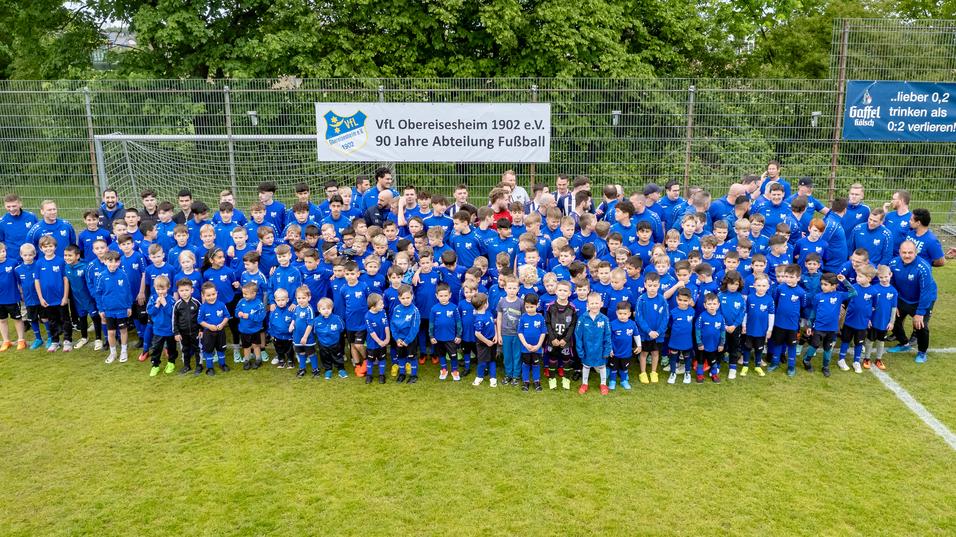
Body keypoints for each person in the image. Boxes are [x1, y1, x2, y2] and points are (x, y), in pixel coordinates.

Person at [886, 240, 938, 363]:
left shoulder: (923, 268)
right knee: (892, 318)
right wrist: (894, 303)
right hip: (903, 298)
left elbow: (926, 292)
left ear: (916, 252)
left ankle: (922, 352)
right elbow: (891, 285)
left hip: (922, 299)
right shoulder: (893, 263)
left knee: (920, 325)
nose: (907, 255)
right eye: (904, 252)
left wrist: (920, 313)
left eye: (910, 252)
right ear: (899, 252)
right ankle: (904, 343)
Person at [802, 273, 856, 377]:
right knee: (814, 345)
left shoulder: (839, 295)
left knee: (828, 348)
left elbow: (853, 293)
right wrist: (809, 325)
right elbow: (813, 312)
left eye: (825, 284)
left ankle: (825, 367)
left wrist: (844, 281)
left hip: (832, 329)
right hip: (819, 328)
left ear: (834, 286)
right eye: (822, 284)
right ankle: (806, 360)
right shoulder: (818, 296)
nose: (823, 286)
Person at [94, 250, 133, 364]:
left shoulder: (123, 274)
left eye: (116, 261)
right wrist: (101, 309)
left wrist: (129, 306)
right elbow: (98, 293)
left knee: (123, 331)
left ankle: (124, 351)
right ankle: (113, 353)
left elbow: (128, 291)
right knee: (111, 333)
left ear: (119, 262)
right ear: (105, 261)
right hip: (108, 310)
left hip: (121, 309)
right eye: (110, 261)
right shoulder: (102, 276)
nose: (113, 264)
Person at [34, 236, 70, 352]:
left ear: (55, 247)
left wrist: (65, 296)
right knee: (52, 321)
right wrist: (40, 298)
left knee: (65, 320)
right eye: (45, 246)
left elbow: (65, 279)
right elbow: (37, 281)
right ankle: (55, 341)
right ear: (41, 248)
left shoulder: (60, 261)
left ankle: (67, 341)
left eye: (50, 246)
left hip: (60, 298)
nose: (48, 248)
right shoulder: (39, 263)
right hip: (47, 299)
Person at [574, 292, 612, 395]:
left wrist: (607, 350)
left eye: (596, 303)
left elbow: (608, 336)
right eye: (592, 303)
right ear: (587, 304)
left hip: (600, 349)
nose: (594, 305)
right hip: (587, 349)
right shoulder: (582, 318)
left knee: (602, 366)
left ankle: (603, 384)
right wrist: (580, 350)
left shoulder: (604, 319)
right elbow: (578, 336)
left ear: (601, 304)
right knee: (586, 366)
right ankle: (584, 383)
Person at [544, 280, 577, 390]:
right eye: (560, 290)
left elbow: (572, 325)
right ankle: (552, 379)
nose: (562, 292)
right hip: (553, 339)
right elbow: (547, 323)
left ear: (570, 293)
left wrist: (565, 339)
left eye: (565, 291)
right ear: (556, 291)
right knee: (552, 358)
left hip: (565, 340)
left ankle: (566, 379)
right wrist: (552, 338)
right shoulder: (550, 306)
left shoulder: (572, 308)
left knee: (566, 359)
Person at [145, 275, 178, 376]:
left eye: (163, 289)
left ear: (168, 287)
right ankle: (155, 365)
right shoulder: (152, 298)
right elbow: (150, 312)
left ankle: (171, 363)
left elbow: (173, 314)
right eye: (158, 289)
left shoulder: (171, 299)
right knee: (156, 349)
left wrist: (165, 304)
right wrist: (157, 305)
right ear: (154, 288)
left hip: (170, 330)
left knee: (171, 348)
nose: (160, 292)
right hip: (158, 330)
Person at [430, 282, 462, 381]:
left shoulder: (454, 308)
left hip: (451, 338)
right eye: (441, 296)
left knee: (453, 355)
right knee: (441, 355)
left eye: (445, 295)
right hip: (438, 338)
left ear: (450, 295)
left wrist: (459, 335)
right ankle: (443, 370)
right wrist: (431, 336)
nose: (443, 298)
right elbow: (431, 324)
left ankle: (454, 371)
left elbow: (458, 323)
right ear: (436, 296)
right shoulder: (434, 309)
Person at [197, 281, 230, 376]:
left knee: (221, 349)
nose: (211, 297)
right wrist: (209, 326)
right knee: (208, 350)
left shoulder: (221, 304)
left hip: (220, 331)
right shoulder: (202, 307)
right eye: (208, 295)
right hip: (208, 333)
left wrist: (222, 324)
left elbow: (227, 316)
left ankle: (222, 364)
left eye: (213, 294)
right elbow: (200, 320)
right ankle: (210, 367)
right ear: (203, 295)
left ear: (216, 293)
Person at [389, 285, 421, 384]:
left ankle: (414, 375)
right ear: (399, 298)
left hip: (410, 339)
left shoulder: (414, 310)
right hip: (399, 339)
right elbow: (393, 324)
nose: (406, 300)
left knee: (412, 357)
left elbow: (415, 328)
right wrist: (396, 338)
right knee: (401, 357)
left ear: (412, 296)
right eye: (403, 298)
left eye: (408, 297)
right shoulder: (396, 309)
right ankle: (402, 374)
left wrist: (407, 340)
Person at [0, 243, 27, 351]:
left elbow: (19, 279)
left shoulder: (13, 263)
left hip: (12, 298)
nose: (2, 253)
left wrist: (21, 292)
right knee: (2, 320)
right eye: (0, 252)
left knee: (17, 319)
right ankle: (6, 341)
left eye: (3, 251)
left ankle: (21, 340)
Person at [517, 293, 546, 392]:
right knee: (526, 364)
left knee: (536, 364)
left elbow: (543, 333)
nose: (529, 309)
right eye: (527, 307)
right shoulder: (523, 317)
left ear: (537, 305)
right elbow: (520, 332)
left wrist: (538, 345)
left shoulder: (540, 318)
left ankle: (536, 381)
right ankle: (526, 381)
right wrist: (525, 344)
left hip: (537, 348)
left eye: (531, 307)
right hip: (525, 348)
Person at [235, 282, 266, 370]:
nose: (244, 295)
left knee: (256, 345)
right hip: (244, 330)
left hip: (255, 330)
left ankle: (258, 359)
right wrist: (238, 313)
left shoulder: (259, 304)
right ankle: (246, 360)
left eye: (246, 294)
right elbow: (236, 312)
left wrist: (249, 316)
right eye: (243, 293)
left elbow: (261, 317)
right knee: (246, 346)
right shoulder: (241, 301)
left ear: (253, 293)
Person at [609, 301, 640, 390]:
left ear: (629, 314)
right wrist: (610, 349)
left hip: (626, 352)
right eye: (620, 313)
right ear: (616, 313)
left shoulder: (632, 324)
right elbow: (608, 338)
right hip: (614, 352)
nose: (622, 316)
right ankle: (612, 381)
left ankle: (624, 381)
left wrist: (639, 346)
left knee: (624, 368)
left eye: (625, 314)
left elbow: (636, 335)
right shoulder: (612, 324)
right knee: (613, 368)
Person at [695, 293, 725, 383]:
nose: (712, 306)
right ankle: (700, 375)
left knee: (713, 361)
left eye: (714, 304)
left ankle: (714, 374)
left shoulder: (720, 317)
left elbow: (723, 331)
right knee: (700, 361)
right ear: (705, 305)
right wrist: (699, 343)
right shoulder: (702, 317)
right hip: (702, 345)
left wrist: (721, 343)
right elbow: (697, 330)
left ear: (718, 305)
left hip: (714, 345)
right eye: (709, 304)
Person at [1, 193, 39, 263]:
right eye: (8, 206)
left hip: (31, 258)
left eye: (14, 206)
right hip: (13, 260)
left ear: (20, 204)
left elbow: (38, 235)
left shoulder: (31, 217)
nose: (11, 209)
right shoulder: (2, 222)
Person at [364, 293, 390, 384]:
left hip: (383, 341)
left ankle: (381, 375)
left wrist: (387, 338)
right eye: (381, 304)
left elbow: (386, 325)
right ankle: (369, 375)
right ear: (373, 307)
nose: (383, 305)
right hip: (372, 343)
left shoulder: (383, 312)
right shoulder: (367, 316)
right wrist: (379, 342)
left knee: (382, 358)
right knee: (370, 359)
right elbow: (371, 332)